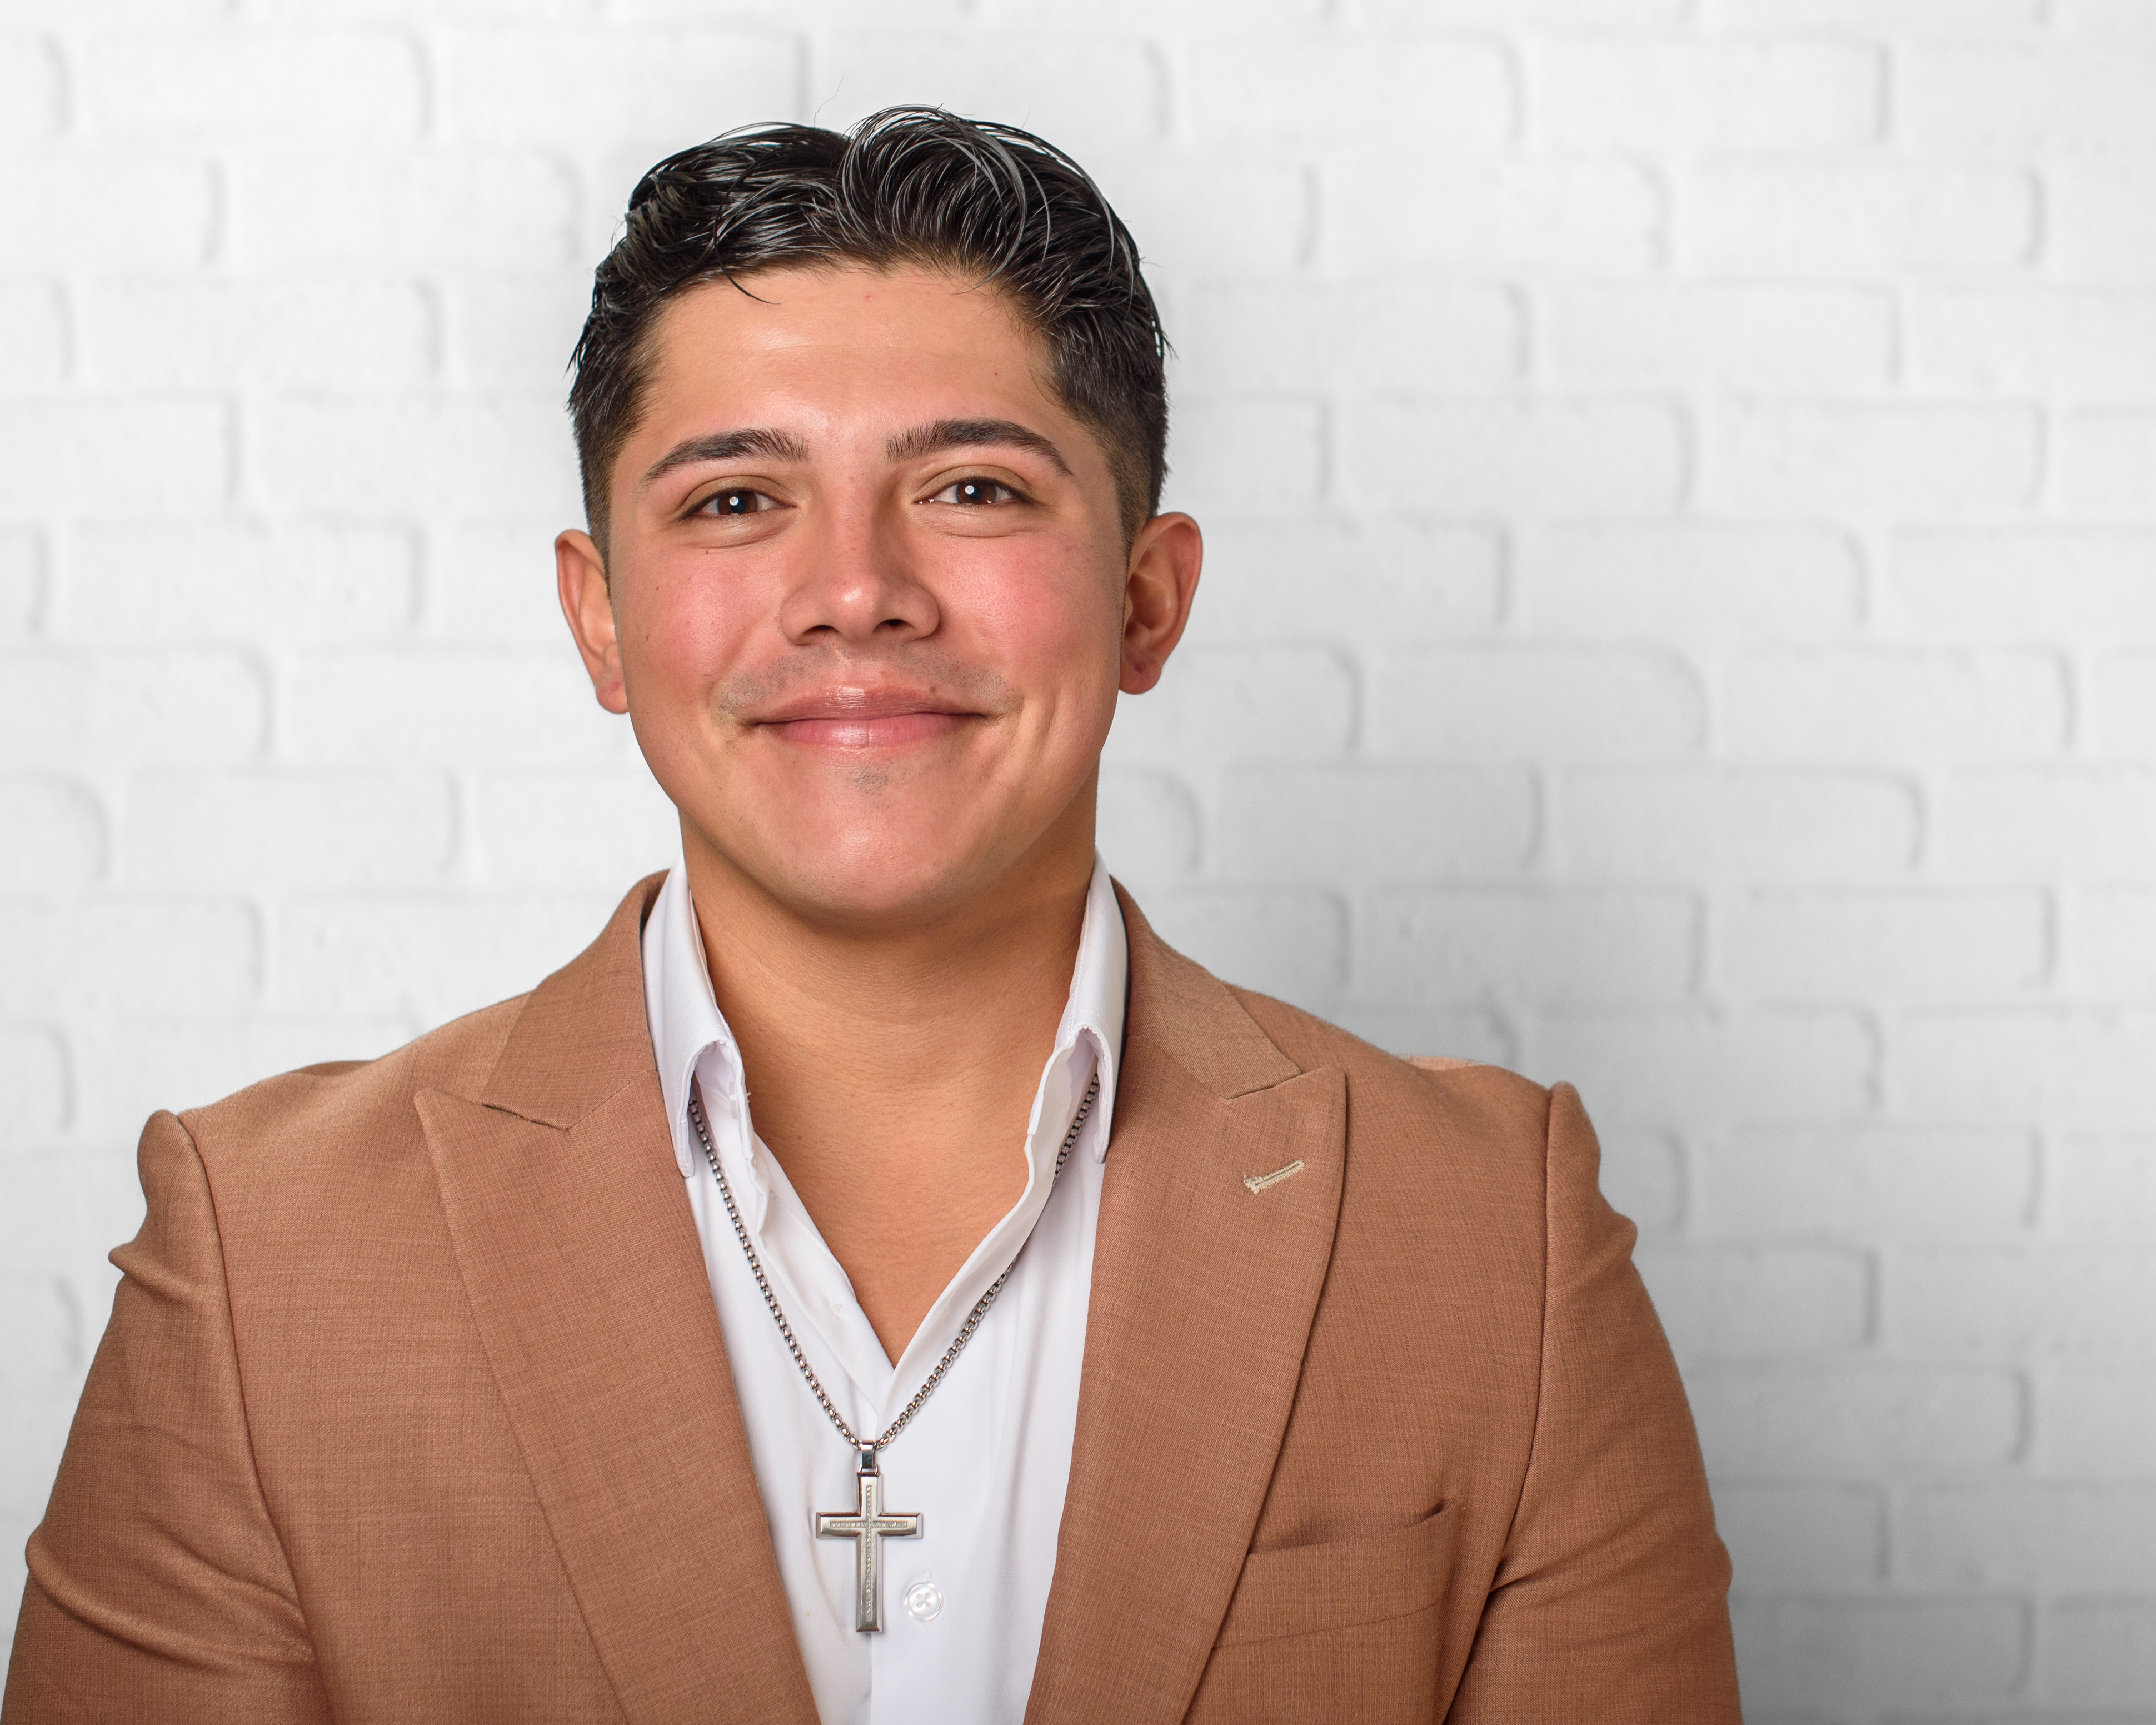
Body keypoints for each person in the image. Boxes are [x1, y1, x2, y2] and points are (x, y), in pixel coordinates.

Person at [3, 109, 1740, 1723]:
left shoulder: (1492, 1239)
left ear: (1147, 600)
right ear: (600, 622)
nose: (855, 593)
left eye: (974, 488)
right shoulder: (268, 1259)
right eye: (735, 501)